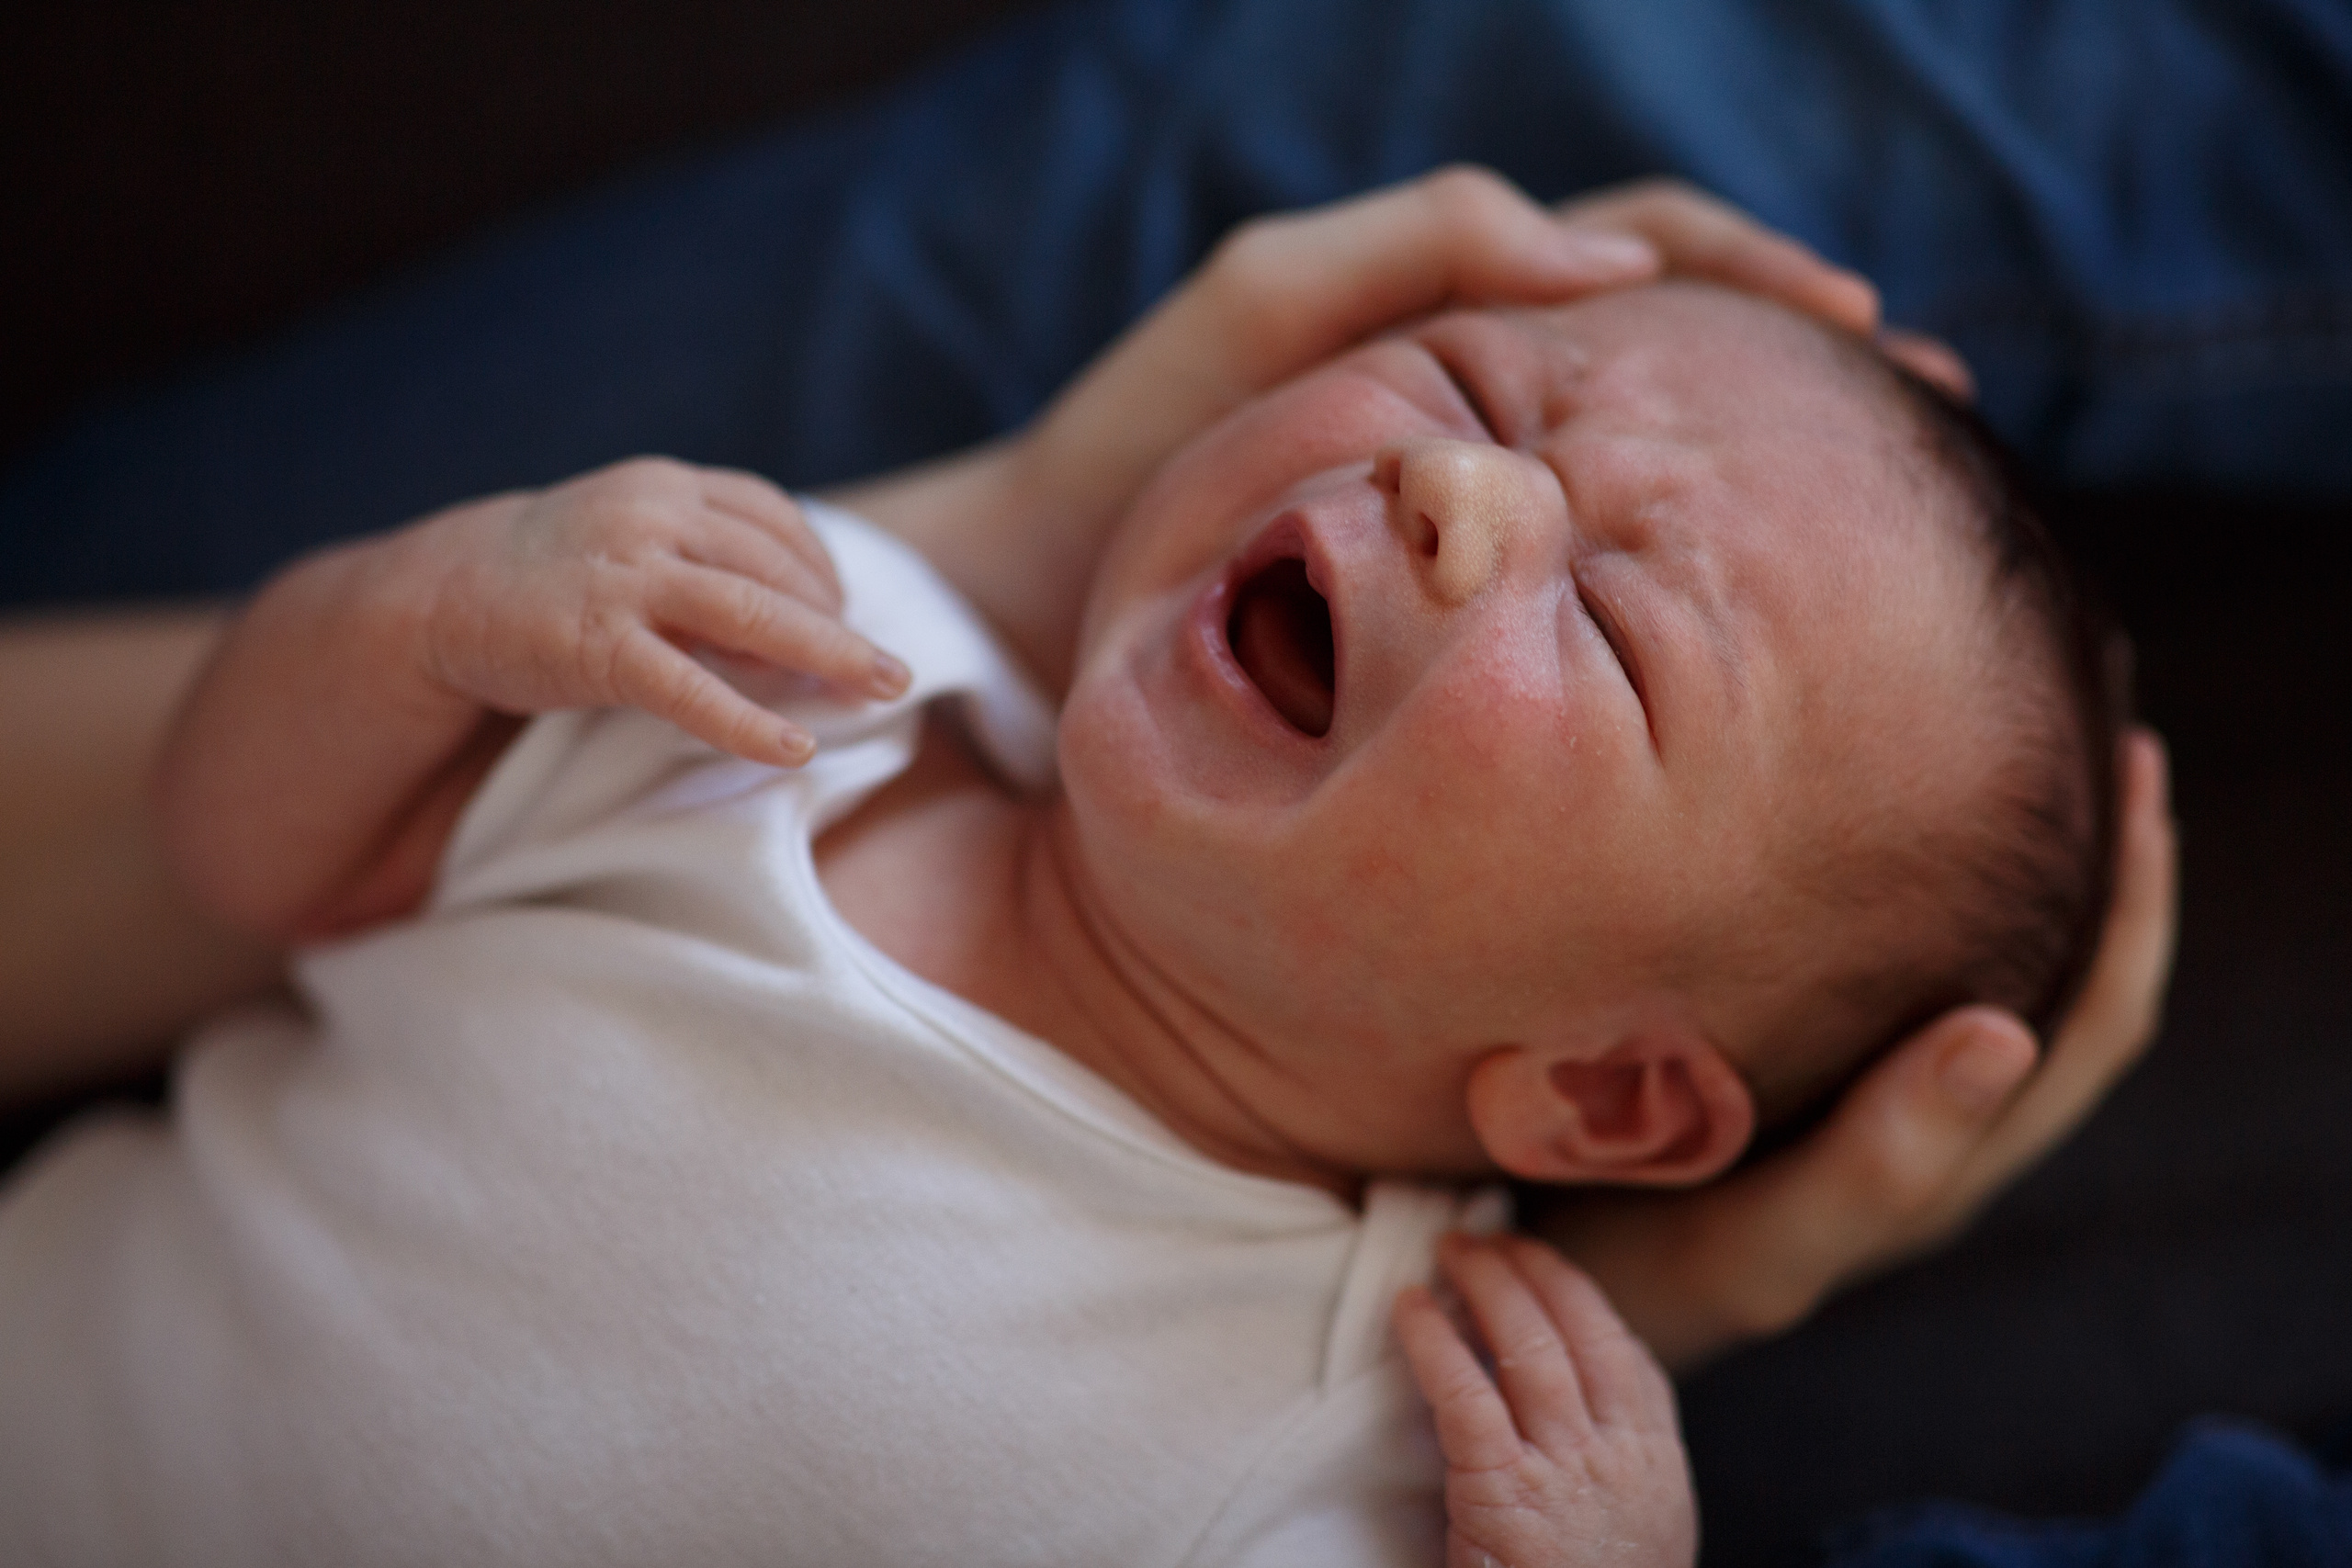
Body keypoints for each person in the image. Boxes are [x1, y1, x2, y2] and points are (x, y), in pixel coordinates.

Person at [0, 173, 2171, 1562]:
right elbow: (235, 847)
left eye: (1605, 631)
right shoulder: (799, 680)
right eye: (1474, 382)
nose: (1453, 489)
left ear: (1603, 1094)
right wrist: (423, 613)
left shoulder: (1377, 1427)